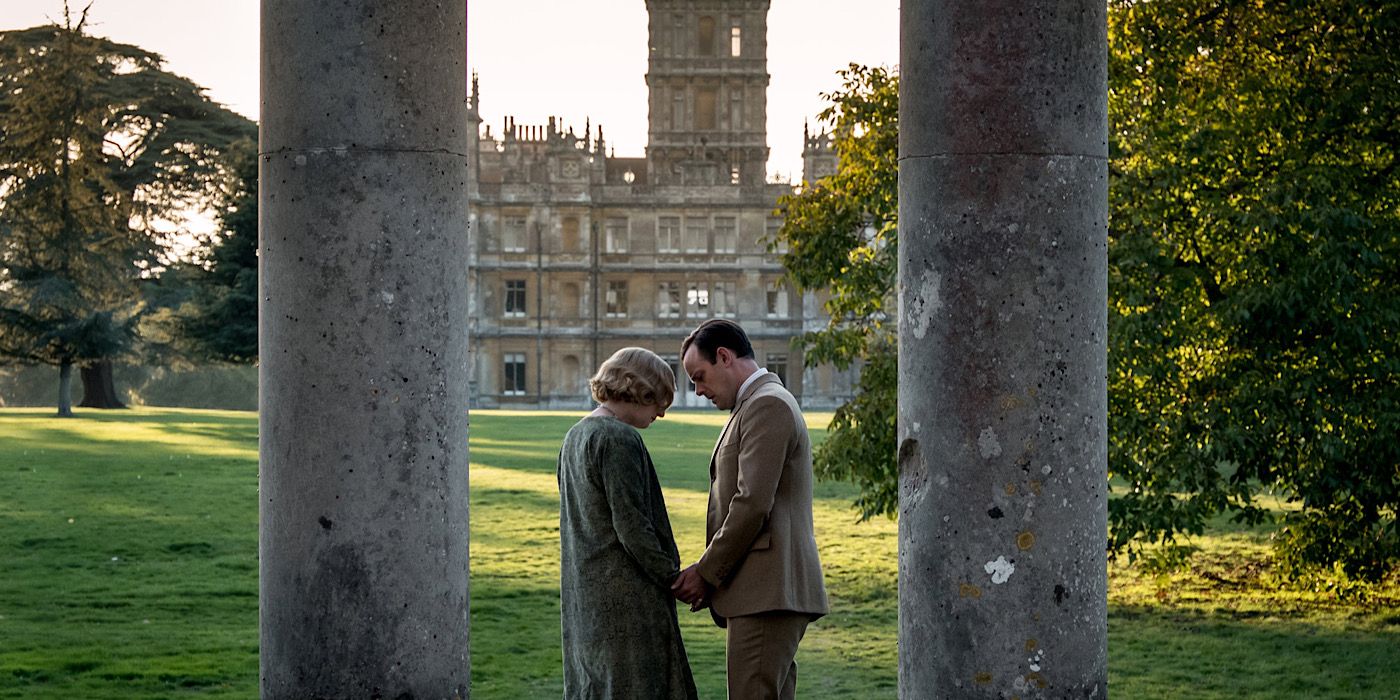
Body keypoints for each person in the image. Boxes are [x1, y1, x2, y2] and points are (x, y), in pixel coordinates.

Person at [671, 319, 829, 700]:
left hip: (768, 592)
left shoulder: (767, 404)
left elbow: (752, 502)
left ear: (724, 357)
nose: (699, 390)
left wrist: (707, 572)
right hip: (764, 591)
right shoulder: (755, 404)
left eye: (700, 376)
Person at [557, 347, 698, 699]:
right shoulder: (617, 438)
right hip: (627, 603)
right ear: (639, 390)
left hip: (586, 598)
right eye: (660, 400)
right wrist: (672, 576)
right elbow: (631, 525)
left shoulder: (575, 436)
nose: (662, 413)